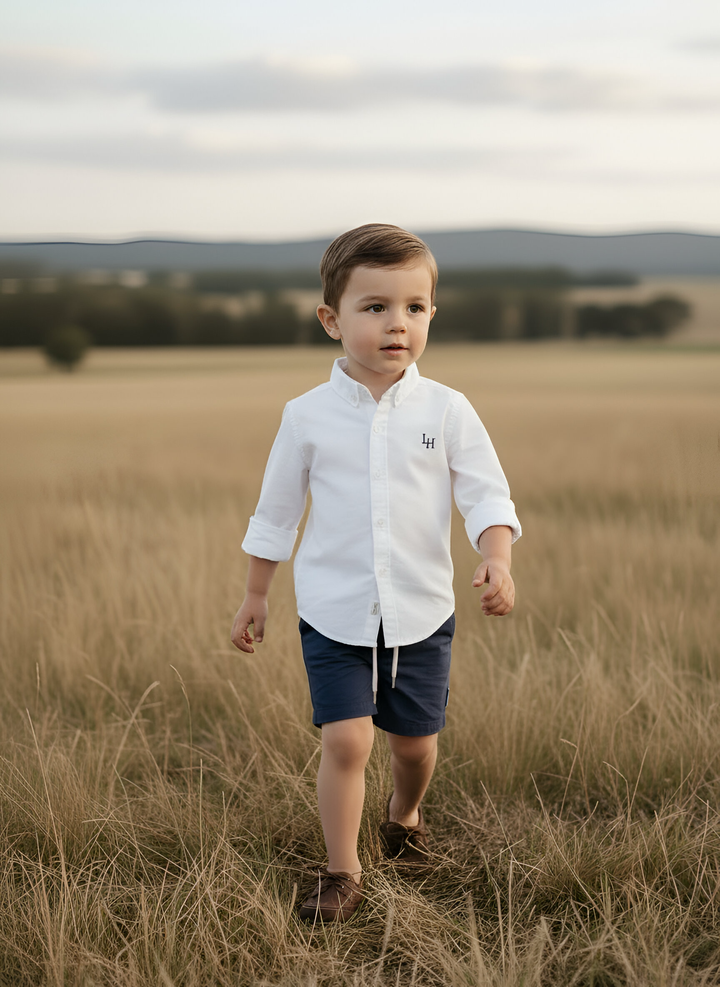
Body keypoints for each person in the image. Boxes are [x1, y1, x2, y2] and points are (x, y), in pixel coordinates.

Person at [230, 223, 521, 922]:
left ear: (429, 315)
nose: (399, 324)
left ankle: (406, 813)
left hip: (421, 611)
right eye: (375, 307)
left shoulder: (447, 410)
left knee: (415, 745)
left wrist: (496, 554)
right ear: (331, 319)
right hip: (333, 609)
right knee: (347, 738)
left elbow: (485, 493)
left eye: (414, 308)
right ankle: (341, 871)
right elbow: (276, 513)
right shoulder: (306, 417)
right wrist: (256, 595)